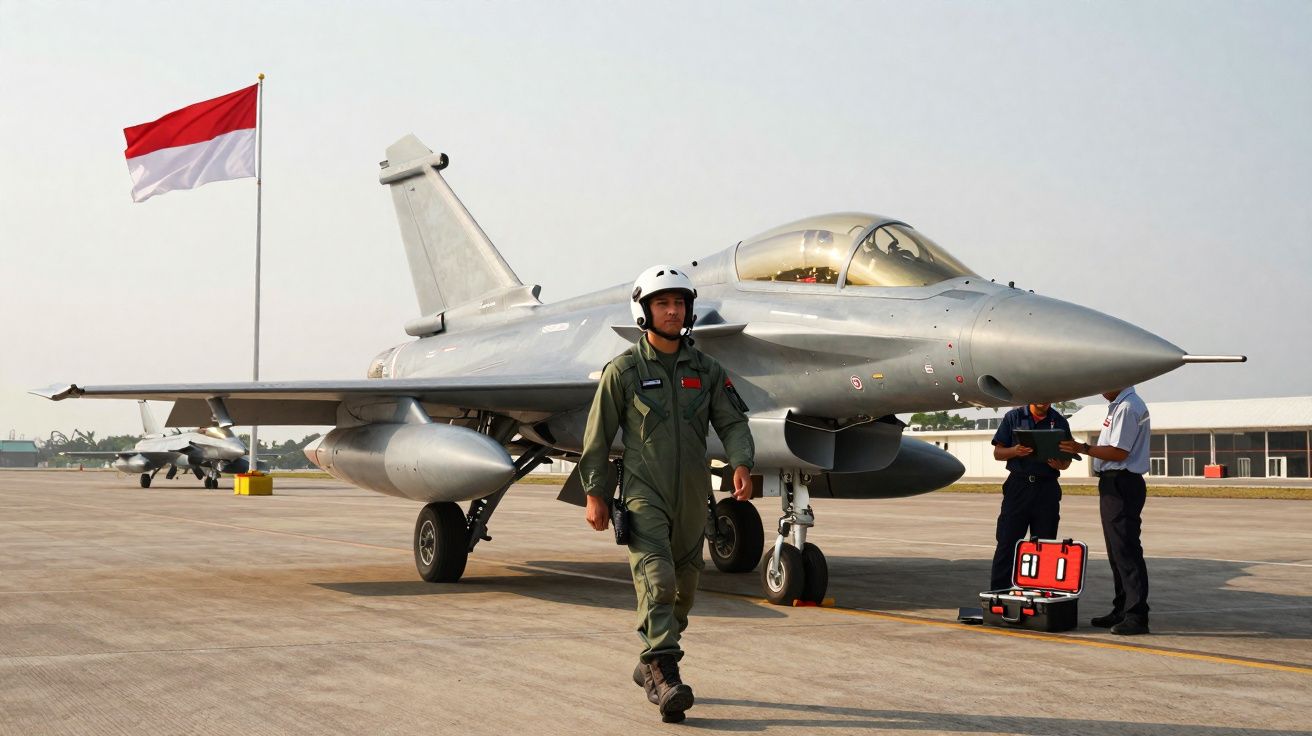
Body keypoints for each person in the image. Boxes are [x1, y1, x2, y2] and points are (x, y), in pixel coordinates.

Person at [578, 264, 755, 722]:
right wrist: (595, 494)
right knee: (658, 579)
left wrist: (741, 462)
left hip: (694, 494)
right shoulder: (624, 372)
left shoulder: (708, 371)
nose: (673, 311)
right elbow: (597, 438)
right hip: (644, 492)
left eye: (679, 303)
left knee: (686, 586)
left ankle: (651, 661)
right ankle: (665, 674)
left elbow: (733, 422)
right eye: (663, 303)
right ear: (644, 311)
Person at [1060, 387, 1152, 636]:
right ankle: (1121, 608)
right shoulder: (1118, 406)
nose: (1100, 389)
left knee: (1126, 549)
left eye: (1105, 384)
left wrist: (1082, 448)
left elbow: (1119, 452)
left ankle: (1136, 614)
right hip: (1113, 482)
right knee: (1115, 550)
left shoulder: (1127, 407)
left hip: (1123, 482)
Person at [988, 403, 1073, 591]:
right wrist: (1014, 451)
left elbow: (1067, 460)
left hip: (1047, 487)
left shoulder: (1059, 421)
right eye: (1039, 398)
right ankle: (999, 593)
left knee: (1045, 544)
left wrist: (1059, 464)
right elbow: (998, 453)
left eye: (1047, 399)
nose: (1043, 402)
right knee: (1007, 542)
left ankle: (1040, 592)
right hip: (1019, 486)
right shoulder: (1014, 417)